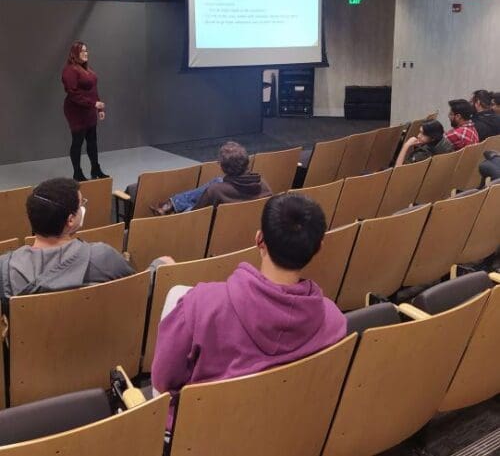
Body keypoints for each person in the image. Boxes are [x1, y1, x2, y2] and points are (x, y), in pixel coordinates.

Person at [151, 193, 346, 429]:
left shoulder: (200, 304)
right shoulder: (335, 322)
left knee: (175, 293)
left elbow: (163, 381)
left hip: (202, 434)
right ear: (318, 249)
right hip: (283, 431)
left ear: (259, 239)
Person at [0, 178, 133, 299]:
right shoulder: (103, 257)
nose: (83, 208)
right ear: (70, 220)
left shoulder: (5, 269)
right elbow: (137, 286)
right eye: (81, 204)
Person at [150, 141, 272, 215]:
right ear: (247, 162)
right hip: (243, 224)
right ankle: (171, 204)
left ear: (223, 167)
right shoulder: (264, 185)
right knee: (217, 180)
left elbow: (196, 216)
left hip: (216, 229)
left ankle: (171, 205)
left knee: (189, 208)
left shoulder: (216, 191)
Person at [62, 42, 109, 181]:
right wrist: (93, 104)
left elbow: (93, 90)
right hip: (76, 110)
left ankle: (96, 168)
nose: (86, 53)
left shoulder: (87, 70)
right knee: (78, 141)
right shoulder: (70, 70)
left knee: (92, 141)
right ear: (74, 53)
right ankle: (77, 172)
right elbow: (73, 93)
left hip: (88, 109)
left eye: (86, 50)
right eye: (82, 51)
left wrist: (99, 108)